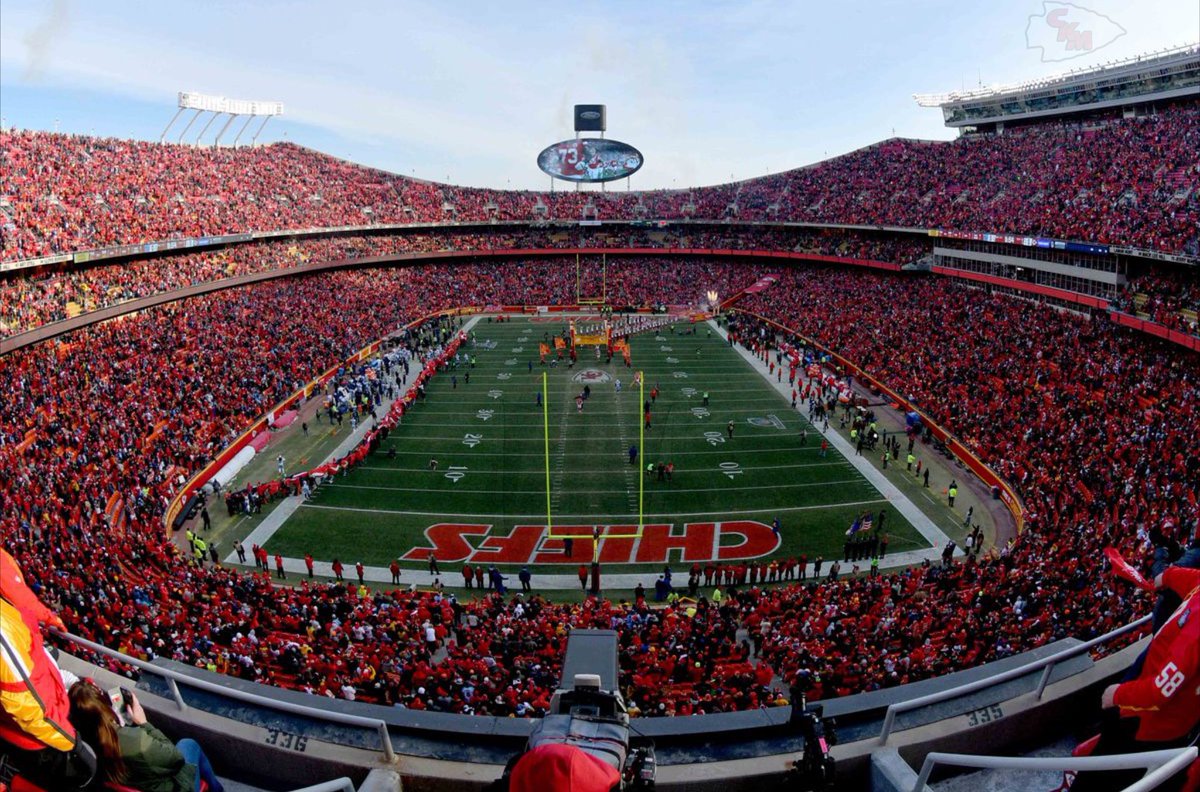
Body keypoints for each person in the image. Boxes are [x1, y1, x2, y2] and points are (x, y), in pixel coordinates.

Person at [1071, 566, 1200, 792]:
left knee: (1101, 777)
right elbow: (1190, 579)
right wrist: (1167, 576)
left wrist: (1117, 695)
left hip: (1148, 723)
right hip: (1158, 717)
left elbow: (1160, 691)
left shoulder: (1196, 633)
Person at [68, 680, 224, 792]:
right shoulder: (138, 742)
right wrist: (144, 723)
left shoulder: (76, 740)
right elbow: (176, 760)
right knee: (189, 744)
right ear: (106, 708)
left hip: (135, 782)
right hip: (168, 786)